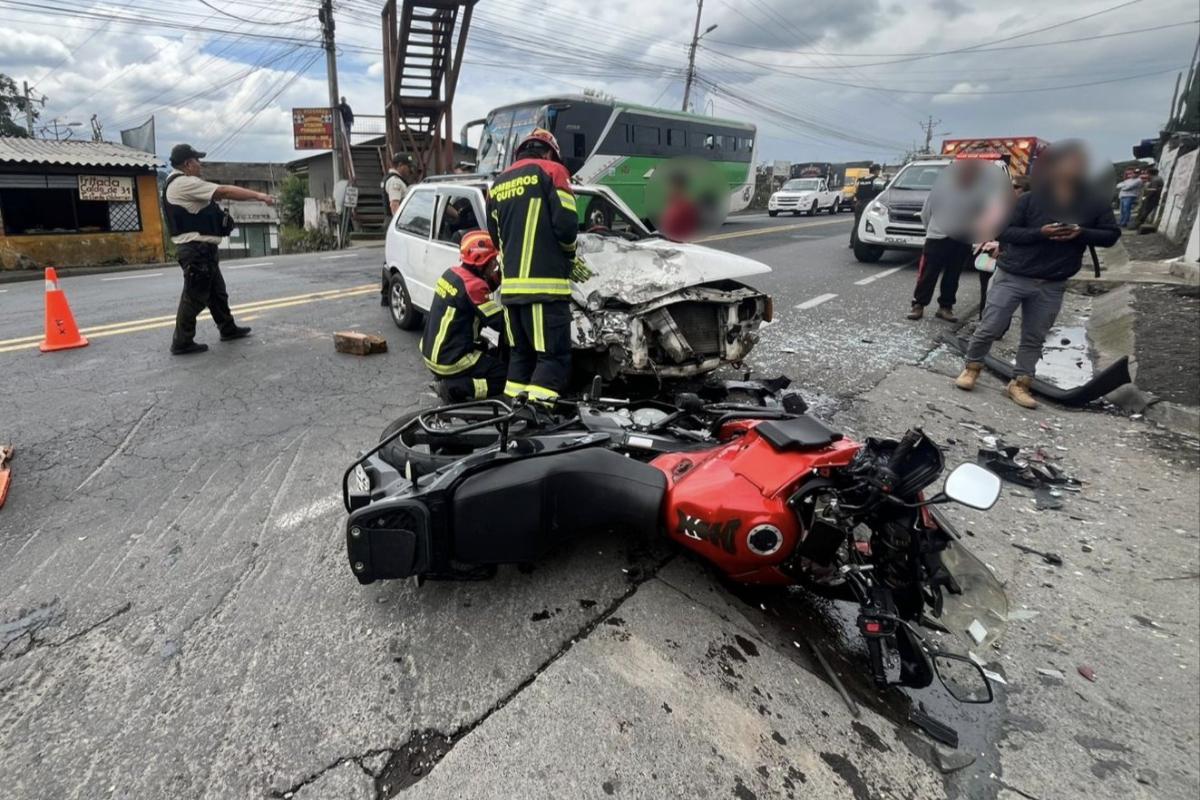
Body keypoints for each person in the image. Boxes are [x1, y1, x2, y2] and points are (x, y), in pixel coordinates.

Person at [955, 140, 1121, 408]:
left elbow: (1111, 235)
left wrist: (1081, 233)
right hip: (1013, 275)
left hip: (1052, 282)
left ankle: (1020, 383)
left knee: (1034, 337)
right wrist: (1040, 233)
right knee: (990, 327)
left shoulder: (1094, 204)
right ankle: (972, 368)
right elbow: (1003, 231)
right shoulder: (1030, 200)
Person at [485, 128, 583, 405]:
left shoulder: (498, 184)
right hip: (545, 292)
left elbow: (495, 237)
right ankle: (537, 417)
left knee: (521, 356)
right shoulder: (553, 171)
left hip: (511, 294)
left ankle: (510, 414)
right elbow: (567, 228)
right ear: (550, 152)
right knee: (552, 358)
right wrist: (570, 258)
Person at [162, 144, 275, 356]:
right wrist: (260, 196)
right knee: (194, 296)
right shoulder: (184, 183)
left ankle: (227, 328)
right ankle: (182, 341)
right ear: (187, 164)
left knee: (217, 294)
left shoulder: (178, 182)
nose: (200, 164)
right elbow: (224, 191)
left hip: (202, 250)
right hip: (196, 250)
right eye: (197, 160)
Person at [907, 159, 1009, 323]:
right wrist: (931, 230)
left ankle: (945, 307)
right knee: (928, 273)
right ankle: (918, 304)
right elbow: (926, 212)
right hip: (937, 236)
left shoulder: (979, 193)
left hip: (962, 237)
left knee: (953, 274)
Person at [419, 231, 508, 401]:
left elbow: (478, 290)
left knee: (487, 349)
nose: (495, 266)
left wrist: (498, 278)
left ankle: (448, 379)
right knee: (503, 375)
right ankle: (454, 388)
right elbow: (499, 322)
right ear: (482, 262)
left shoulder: (451, 274)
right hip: (450, 360)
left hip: (432, 353)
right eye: (492, 262)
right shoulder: (474, 286)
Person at [849, 163, 884, 249]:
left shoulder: (860, 180)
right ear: (876, 171)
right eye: (879, 170)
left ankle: (852, 243)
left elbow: (855, 192)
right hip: (870, 204)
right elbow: (881, 193)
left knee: (857, 224)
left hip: (859, 204)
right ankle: (870, 243)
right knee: (872, 224)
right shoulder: (877, 180)